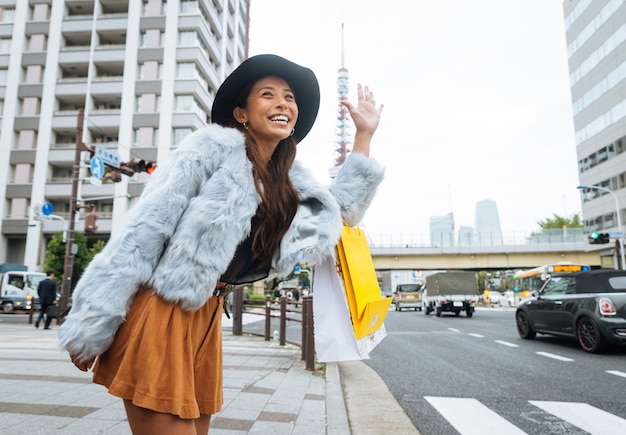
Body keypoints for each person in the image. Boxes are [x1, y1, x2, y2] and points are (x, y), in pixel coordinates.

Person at [58, 54, 384, 435]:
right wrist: (91, 323)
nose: (283, 103)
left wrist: (363, 136)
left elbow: (338, 212)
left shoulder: (288, 181)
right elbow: (143, 234)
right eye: (268, 94)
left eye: (289, 97)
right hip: (163, 312)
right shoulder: (209, 150)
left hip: (208, 320)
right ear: (242, 113)